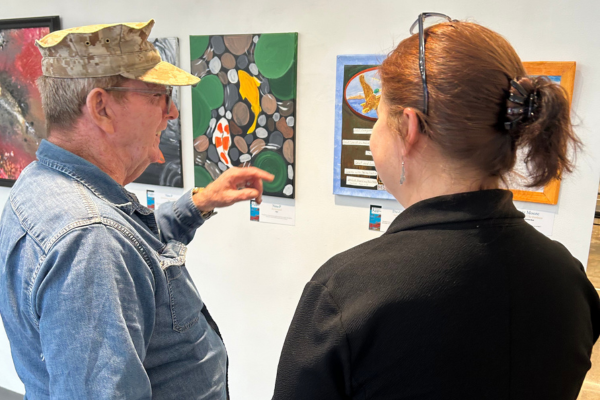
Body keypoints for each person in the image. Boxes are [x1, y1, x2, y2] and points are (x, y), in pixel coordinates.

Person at [273, 13, 600, 400]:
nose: (375, 135)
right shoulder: (569, 277)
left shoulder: (347, 292)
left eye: (378, 118)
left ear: (409, 127)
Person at [0, 20, 273, 399]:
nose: (172, 113)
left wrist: (198, 204)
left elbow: (132, 246)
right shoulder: (89, 239)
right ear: (102, 108)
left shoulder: (44, 183)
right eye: (159, 96)